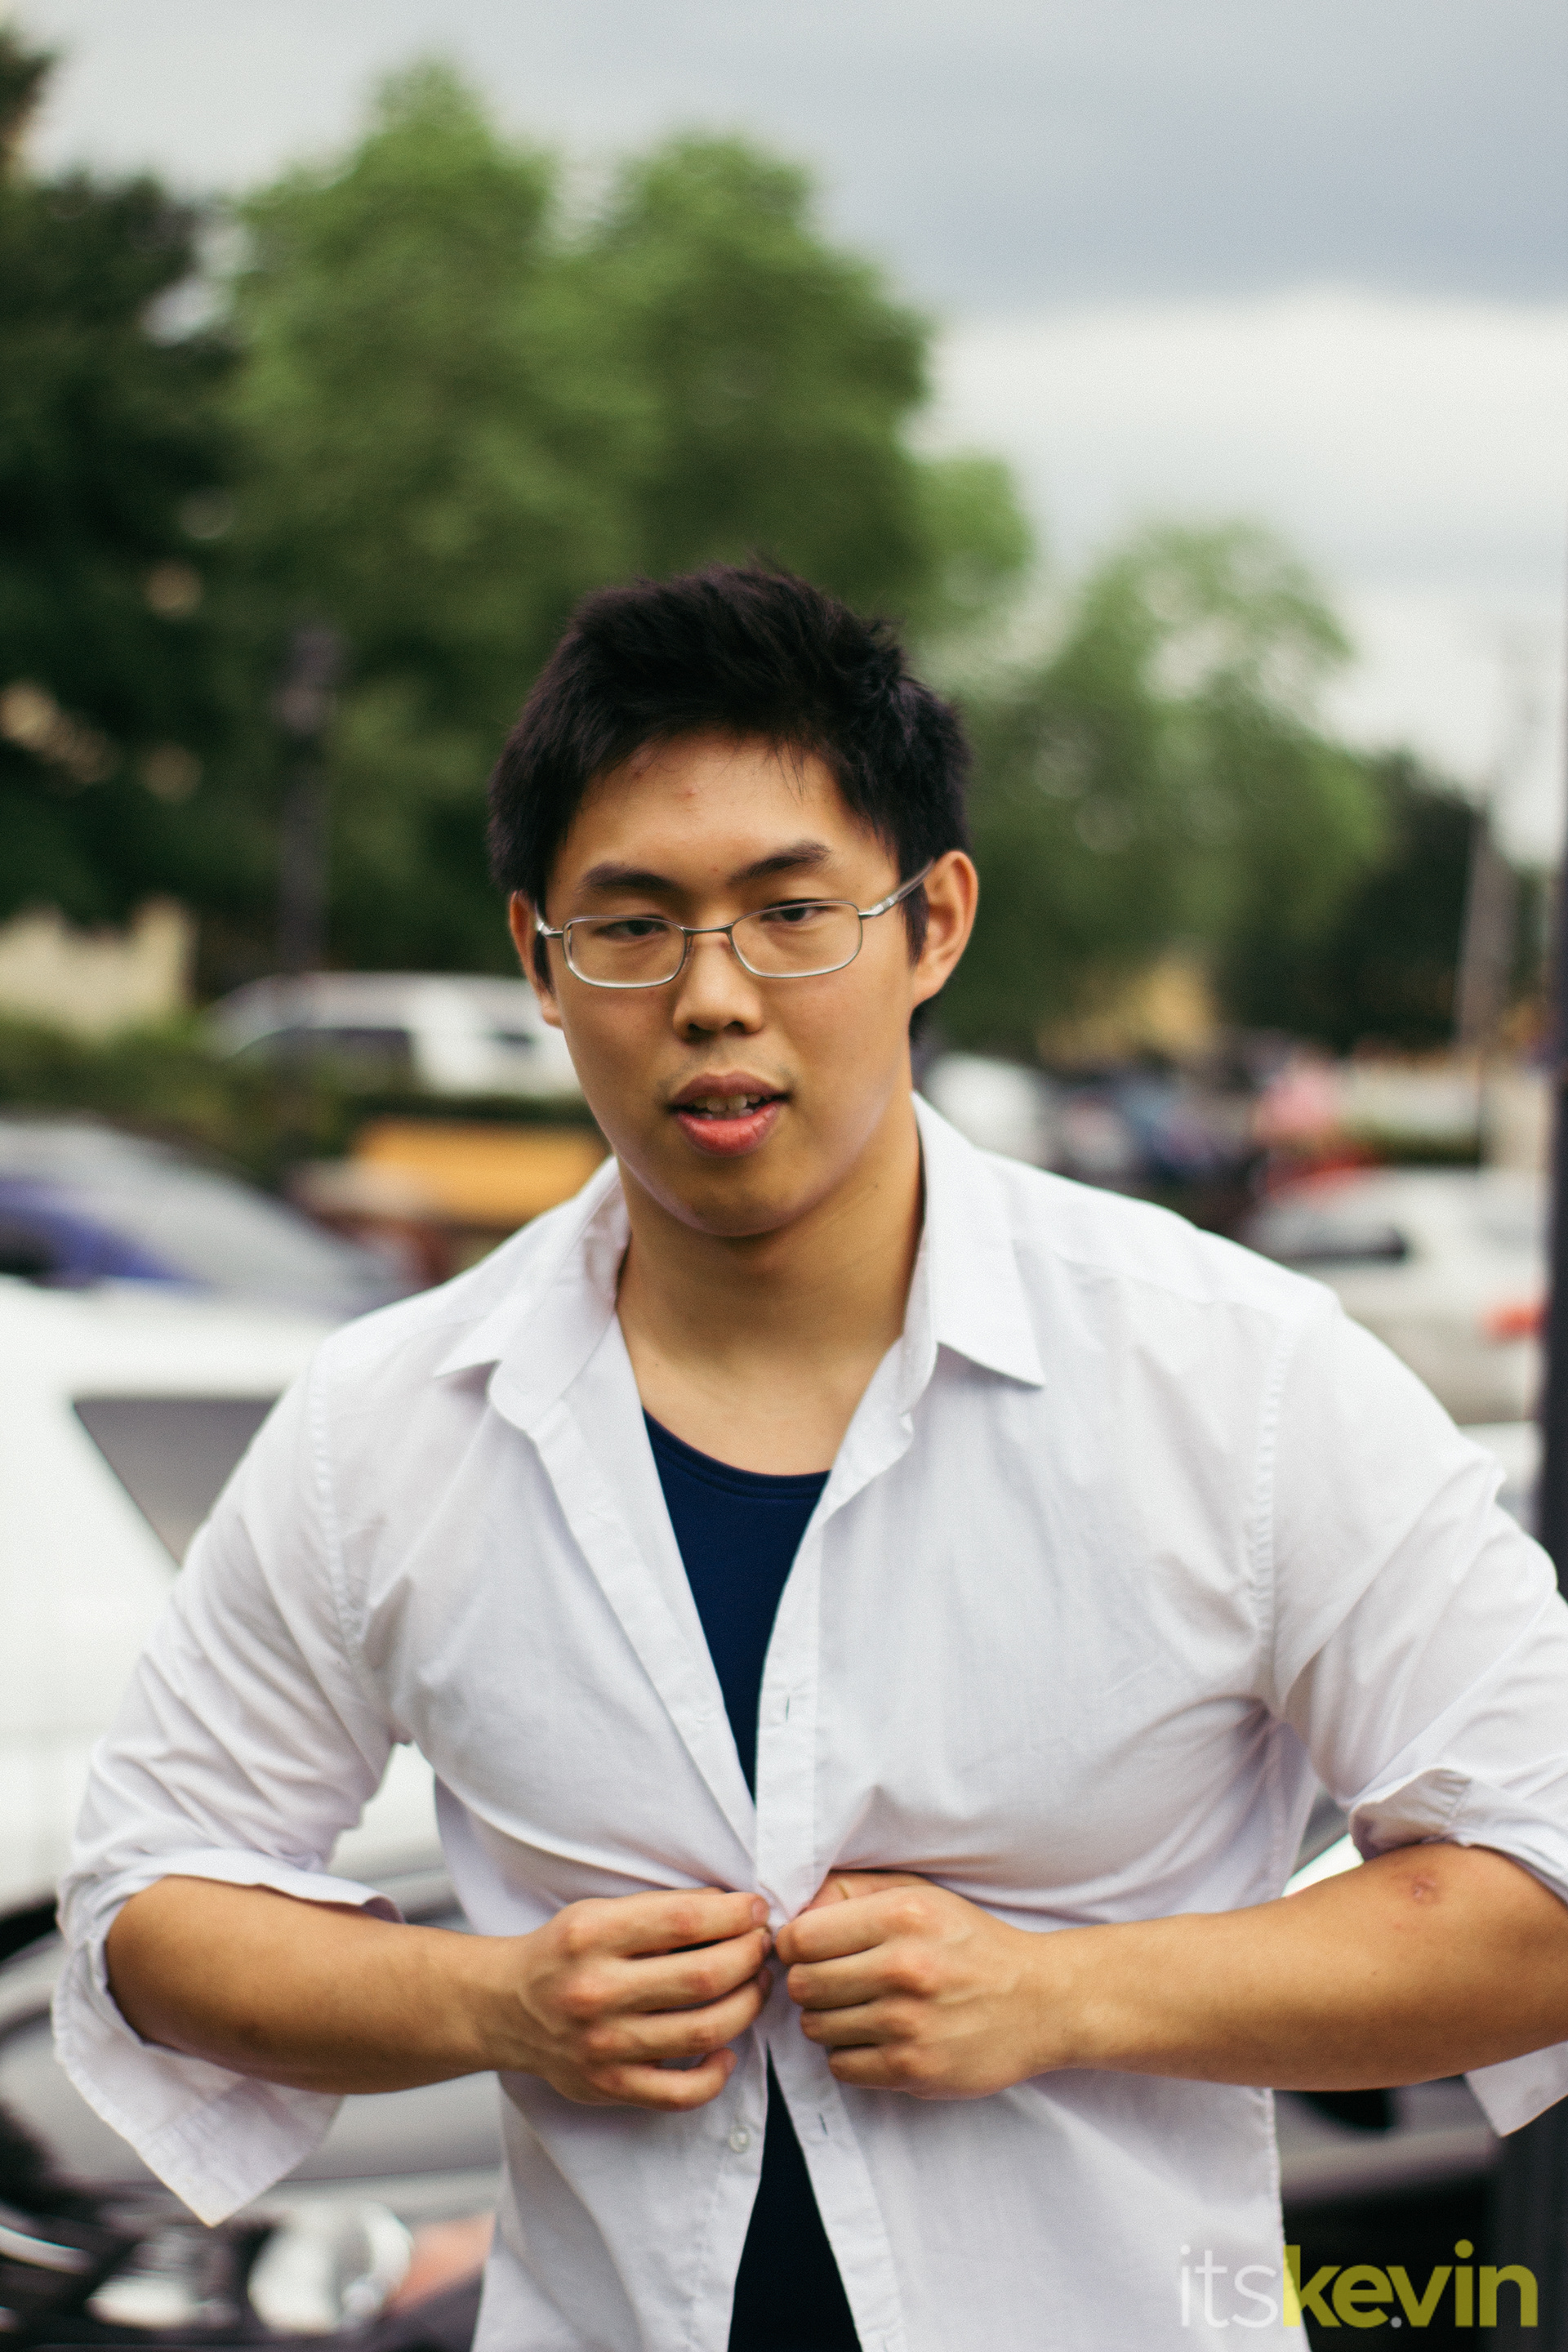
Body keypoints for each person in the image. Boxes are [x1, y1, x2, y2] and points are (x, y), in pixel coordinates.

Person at [56, 565, 1568, 2351]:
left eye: (790, 914)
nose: (714, 997)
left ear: (934, 924)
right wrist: (495, 2003)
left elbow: (1538, 1890)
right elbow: (146, 1901)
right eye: (632, 926)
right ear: (539, 961)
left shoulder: (1235, 1378)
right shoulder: (386, 1421)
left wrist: (1063, 1996)